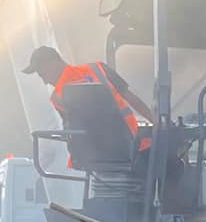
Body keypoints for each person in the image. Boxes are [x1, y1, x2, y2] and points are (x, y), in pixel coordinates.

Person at [23, 45, 154, 155]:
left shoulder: (57, 97)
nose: (45, 81)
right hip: (136, 145)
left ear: (53, 64)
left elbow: (72, 134)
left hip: (104, 158)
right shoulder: (98, 69)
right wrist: (155, 120)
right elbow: (130, 97)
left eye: (42, 75)